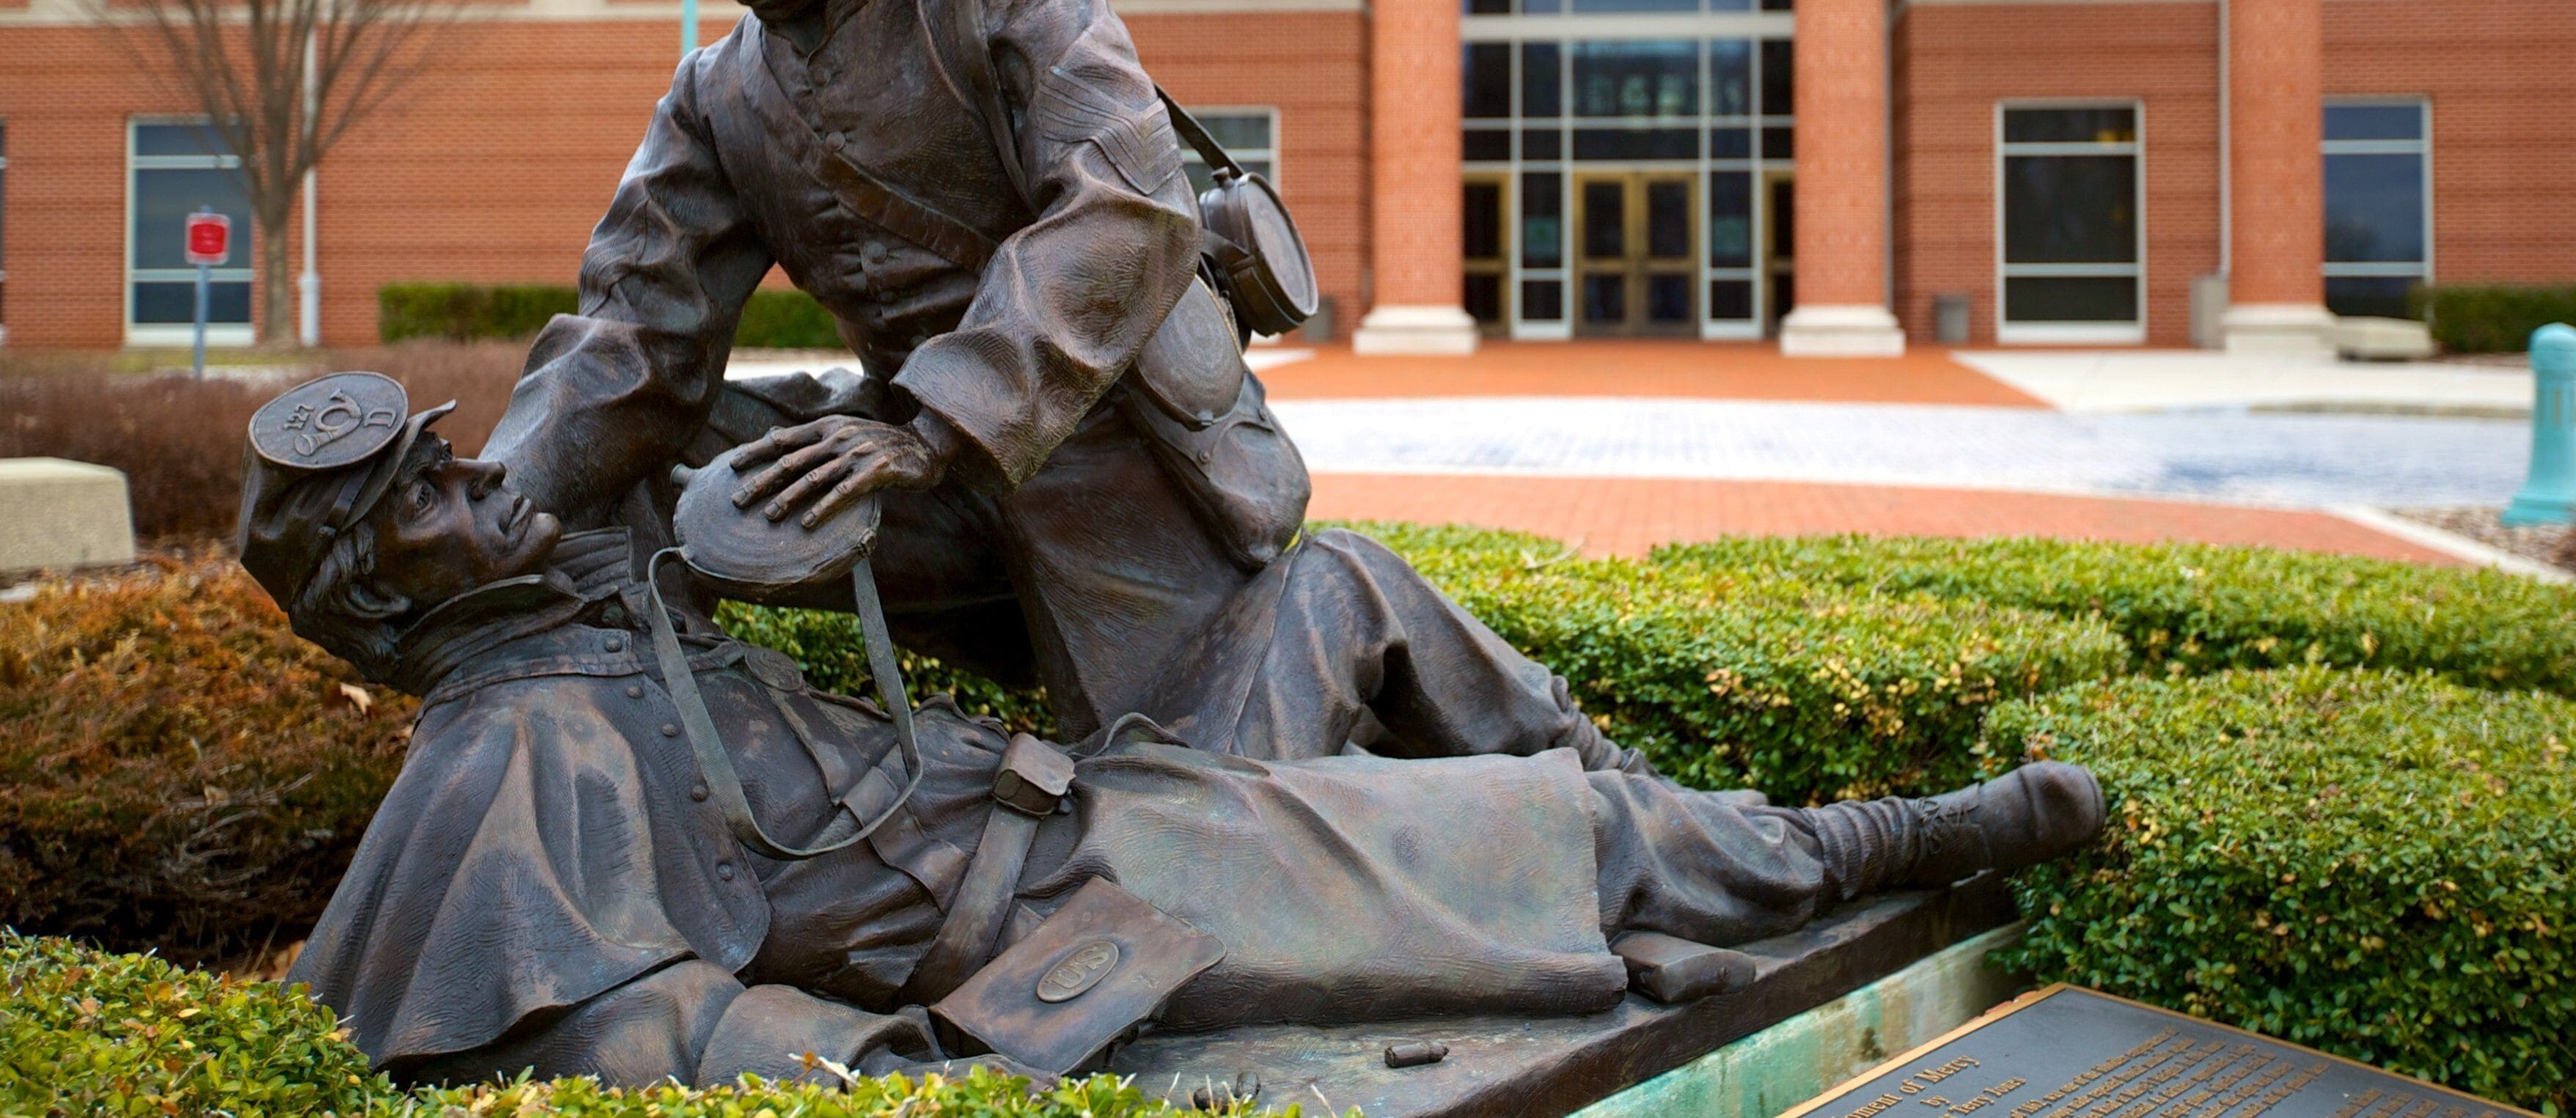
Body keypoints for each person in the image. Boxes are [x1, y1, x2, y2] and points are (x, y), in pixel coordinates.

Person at [246, 373, 2106, 1090]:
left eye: (444, 446)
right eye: (424, 491)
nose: (477, 469)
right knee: (1543, 840)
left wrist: (868, 426)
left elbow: (686, 412)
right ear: (375, 593)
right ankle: (1874, 846)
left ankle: (1642, 871)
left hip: (1104, 794)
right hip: (1073, 900)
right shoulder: (510, 751)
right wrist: (895, 1056)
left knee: (1337, 585)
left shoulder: (605, 607)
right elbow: (602, 1014)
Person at [487, 0, 1647, 771]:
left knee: (1195, 814)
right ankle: (666, 778)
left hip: (1115, 470)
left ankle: (1373, 629)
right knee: (638, 456)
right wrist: (479, 508)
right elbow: (630, 332)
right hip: (919, 478)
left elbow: (1130, 209)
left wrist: (942, 424)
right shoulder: (716, 95)